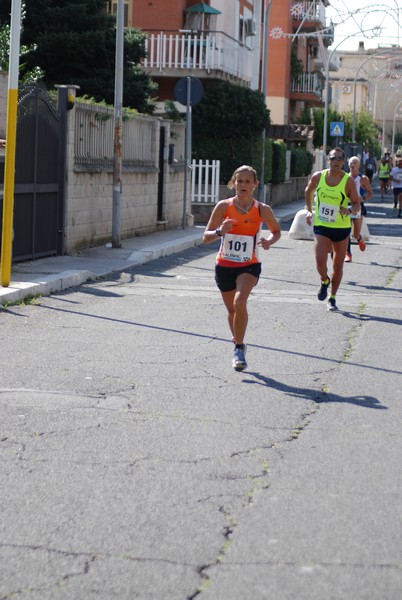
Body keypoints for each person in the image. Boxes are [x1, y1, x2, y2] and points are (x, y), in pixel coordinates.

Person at [203, 165, 281, 371]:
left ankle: (238, 349)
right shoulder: (223, 206)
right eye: (240, 181)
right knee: (232, 310)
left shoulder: (262, 209)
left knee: (240, 302)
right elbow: (205, 237)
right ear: (233, 183)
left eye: (248, 181)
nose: (243, 185)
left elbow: (276, 231)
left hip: (249, 265)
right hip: (224, 265)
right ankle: (240, 343)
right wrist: (220, 231)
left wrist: (269, 241)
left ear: (255, 184)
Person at [305, 147, 361, 311]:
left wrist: (350, 211)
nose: (336, 161)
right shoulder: (318, 176)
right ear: (327, 160)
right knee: (320, 260)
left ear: (344, 162)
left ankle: (332, 297)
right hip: (322, 224)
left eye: (339, 158)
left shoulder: (348, 181)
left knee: (337, 266)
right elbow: (308, 191)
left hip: (341, 228)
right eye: (333, 158)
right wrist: (309, 210)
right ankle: (324, 280)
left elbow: (357, 204)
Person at [345, 156, 373, 262]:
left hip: (358, 206)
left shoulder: (363, 178)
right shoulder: (344, 177)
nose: (352, 165)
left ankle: (359, 239)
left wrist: (363, 198)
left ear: (359, 165)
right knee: (346, 230)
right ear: (348, 165)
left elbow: (370, 193)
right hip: (347, 205)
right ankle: (348, 254)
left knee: (355, 233)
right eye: (351, 163)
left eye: (355, 163)